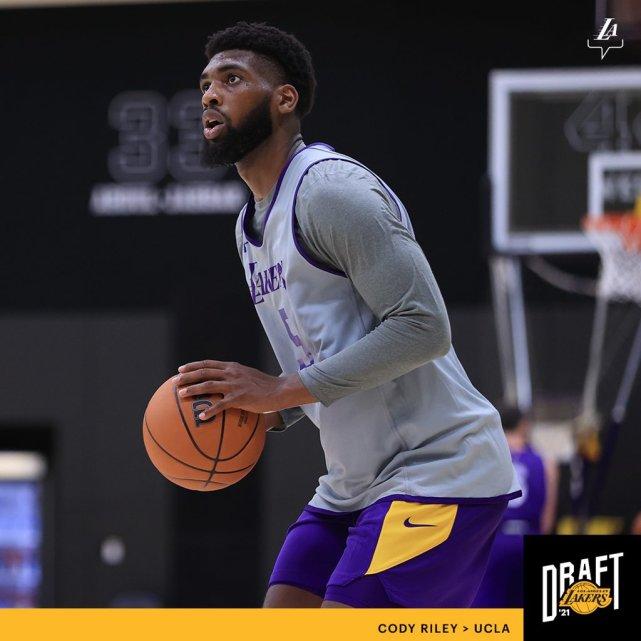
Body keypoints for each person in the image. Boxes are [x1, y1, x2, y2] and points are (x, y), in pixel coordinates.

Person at [174, 21, 522, 608]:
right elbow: (324, 351)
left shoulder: (331, 192)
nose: (210, 95)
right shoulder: (249, 225)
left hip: (440, 472)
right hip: (352, 484)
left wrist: (280, 389)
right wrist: (267, 409)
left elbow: (424, 327)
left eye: (231, 80)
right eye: (205, 84)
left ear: (285, 99)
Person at [472, 406, 559, 607]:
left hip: (495, 542)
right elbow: (547, 520)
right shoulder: (547, 463)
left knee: (489, 614)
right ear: (524, 425)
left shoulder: (486, 460)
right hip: (529, 536)